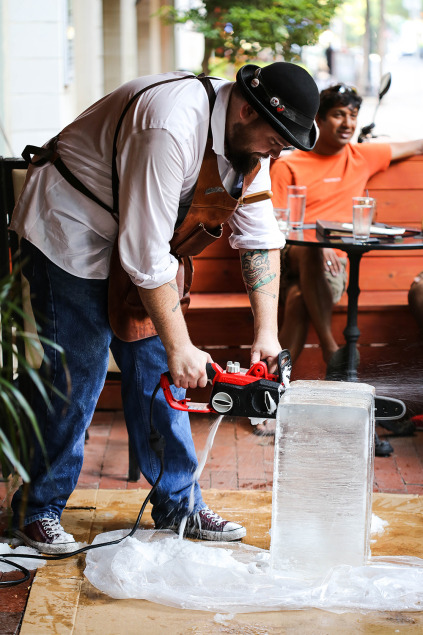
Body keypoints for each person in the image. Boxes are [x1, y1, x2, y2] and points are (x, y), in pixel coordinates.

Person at [8, 63, 320, 553]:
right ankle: (38, 508)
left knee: (159, 375)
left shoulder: (250, 147)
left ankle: (180, 506)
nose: (277, 151)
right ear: (244, 109)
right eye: (277, 138)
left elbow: (259, 239)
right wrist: (182, 345)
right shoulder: (169, 124)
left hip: (136, 241)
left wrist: (267, 334)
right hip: (68, 228)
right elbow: (147, 256)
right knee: (79, 372)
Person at [264, 83, 423, 453]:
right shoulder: (290, 163)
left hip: (332, 268)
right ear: (319, 119)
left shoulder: (363, 156)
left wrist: (329, 246)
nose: (347, 122)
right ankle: (334, 350)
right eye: (338, 114)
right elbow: (277, 224)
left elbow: (416, 145)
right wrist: (319, 242)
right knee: (311, 253)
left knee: (301, 297)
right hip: (288, 258)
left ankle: (270, 402)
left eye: (353, 115)